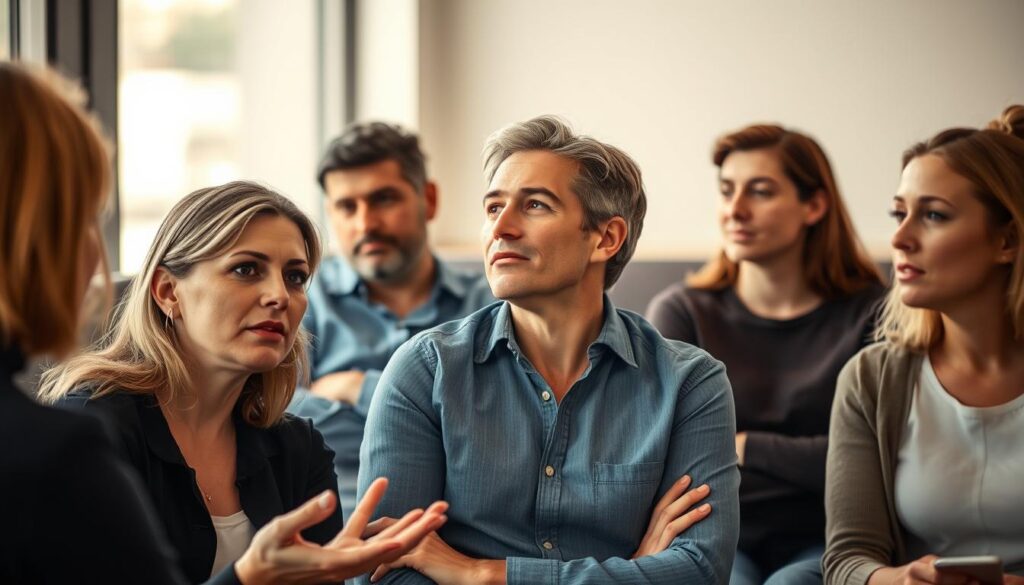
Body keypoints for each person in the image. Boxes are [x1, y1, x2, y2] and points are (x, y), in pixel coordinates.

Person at [1, 62, 444, 585]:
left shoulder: (298, 448)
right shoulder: (95, 431)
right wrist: (250, 576)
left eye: (296, 277)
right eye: (245, 270)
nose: (279, 296)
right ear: (169, 292)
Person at [357, 116, 740, 584]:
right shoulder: (425, 368)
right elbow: (381, 571)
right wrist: (635, 573)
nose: (501, 227)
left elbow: (701, 571)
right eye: (493, 207)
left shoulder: (690, 383)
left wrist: (476, 574)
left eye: (535, 205)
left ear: (606, 238)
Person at [646, 124, 885, 585]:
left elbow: (873, 460)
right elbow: (670, 456)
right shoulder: (682, 312)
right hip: (714, 533)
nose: (735, 210)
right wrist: (805, 457)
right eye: (726, 191)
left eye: (760, 192)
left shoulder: (873, 315)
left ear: (813, 206)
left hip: (833, 535)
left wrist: (745, 447)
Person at [824, 106, 1024, 585]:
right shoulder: (872, 378)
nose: (899, 238)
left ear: (1008, 240)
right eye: (899, 213)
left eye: (933, 215)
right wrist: (901, 580)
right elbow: (848, 560)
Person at [288, 122, 494, 519]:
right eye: (347, 207)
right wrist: (438, 420)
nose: (366, 224)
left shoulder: (490, 306)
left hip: (462, 542)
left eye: (383, 200)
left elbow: (498, 436)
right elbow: (271, 417)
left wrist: (356, 388)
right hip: (333, 538)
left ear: (428, 199)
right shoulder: (299, 303)